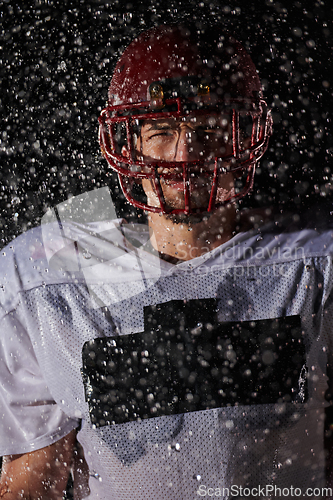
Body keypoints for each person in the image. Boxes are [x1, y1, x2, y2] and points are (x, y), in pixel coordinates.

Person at [0, 23, 332, 500]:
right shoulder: (53, 271)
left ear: (244, 136)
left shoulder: (314, 261)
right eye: (161, 131)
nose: (186, 154)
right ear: (129, 144)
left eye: (207, 129)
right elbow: (36, 476)